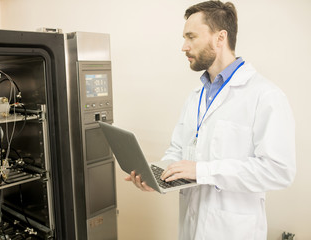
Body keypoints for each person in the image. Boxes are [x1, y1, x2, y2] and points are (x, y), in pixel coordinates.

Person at [125, 1, 296, 239]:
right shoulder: (196, 96)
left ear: (220, 37)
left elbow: (279, 170)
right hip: (191, 226)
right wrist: (158, 175)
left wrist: (203, 170)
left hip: (232, 230)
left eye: (191, 37)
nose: (184, 47)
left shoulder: (265, 95)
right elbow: (178, 150)